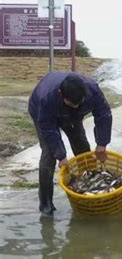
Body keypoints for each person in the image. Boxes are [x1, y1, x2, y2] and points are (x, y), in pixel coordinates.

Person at [28, 72, 112, 215]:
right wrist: (61, 155)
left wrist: (102, 143)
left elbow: (103, 114)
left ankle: (90, 186)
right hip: (42, 113)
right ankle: (46, 204)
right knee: (49, 154)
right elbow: (48, 129)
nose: (76, 105)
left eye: (79, 103)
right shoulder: (47, 98)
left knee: (81, 145)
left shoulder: (92, 90)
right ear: (61, 94)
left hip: (73, 116)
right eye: (72, 103)